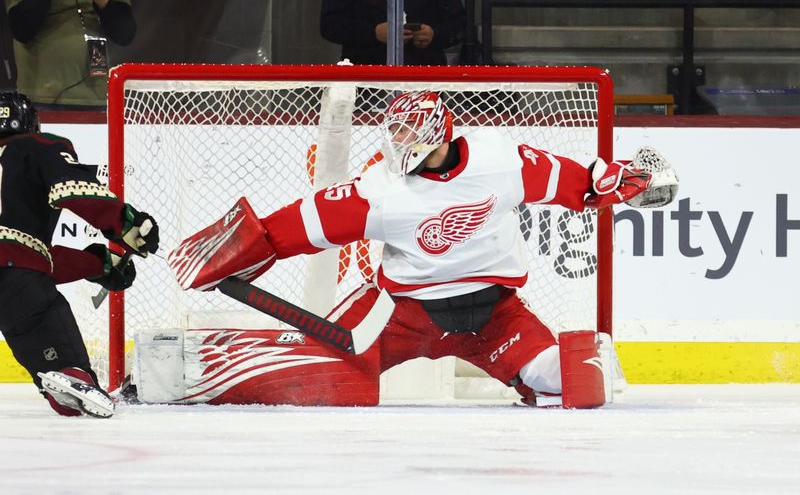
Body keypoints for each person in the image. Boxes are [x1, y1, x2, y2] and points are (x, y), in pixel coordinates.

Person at [172, 90, 678, 408]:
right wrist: (243, 248)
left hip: (494, 315)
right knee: (317, 377)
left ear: (439, 131)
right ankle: (191, 369)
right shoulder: (382, 188)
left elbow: (576, 183)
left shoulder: (502, 161)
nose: (399, 140)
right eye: (394, 130)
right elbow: (307, 223)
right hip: (399, 314)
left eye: (408, 130)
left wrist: (627, 181)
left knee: (571, 381)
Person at [0, 91, 159, 417]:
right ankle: (69, 373)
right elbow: (72, 188)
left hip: (15, 270)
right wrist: (125, 223)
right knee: (67, 371)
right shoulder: (35, 146)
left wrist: (96, 263)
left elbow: (26, 253)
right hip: (15, 281)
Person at [4, 0, 136, 108]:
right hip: (44, 98)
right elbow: (21, 29)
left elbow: (126, 34)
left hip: (99, 97)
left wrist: (103, 0)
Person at [320, 0, 466, 65]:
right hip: (366, 80)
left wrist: (433, 34)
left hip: (423, 80)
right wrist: (374, 33)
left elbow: (457, 24)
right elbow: (330, 24)